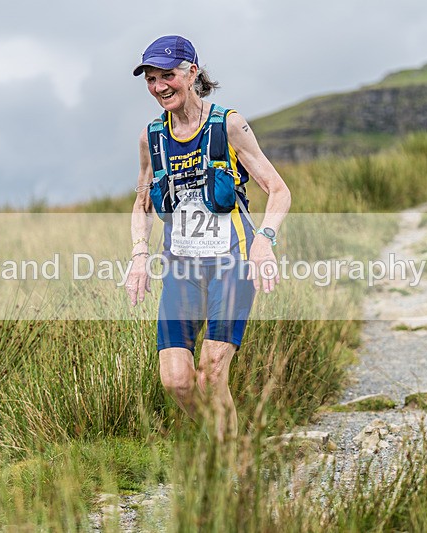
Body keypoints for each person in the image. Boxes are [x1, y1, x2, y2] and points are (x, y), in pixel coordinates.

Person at [126, 35, 291, 442]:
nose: (160, 86)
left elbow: (278, 189)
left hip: (232, 262)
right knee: (177, 382)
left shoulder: (228, 124)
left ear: (192, 72)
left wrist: (264, 238)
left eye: (168, 75)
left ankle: (231, 469)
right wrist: (139, 253)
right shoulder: (152, 137)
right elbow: (143, 201)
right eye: (151, 78)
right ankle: (228, 438)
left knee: (212, 372)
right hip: (181, 269)